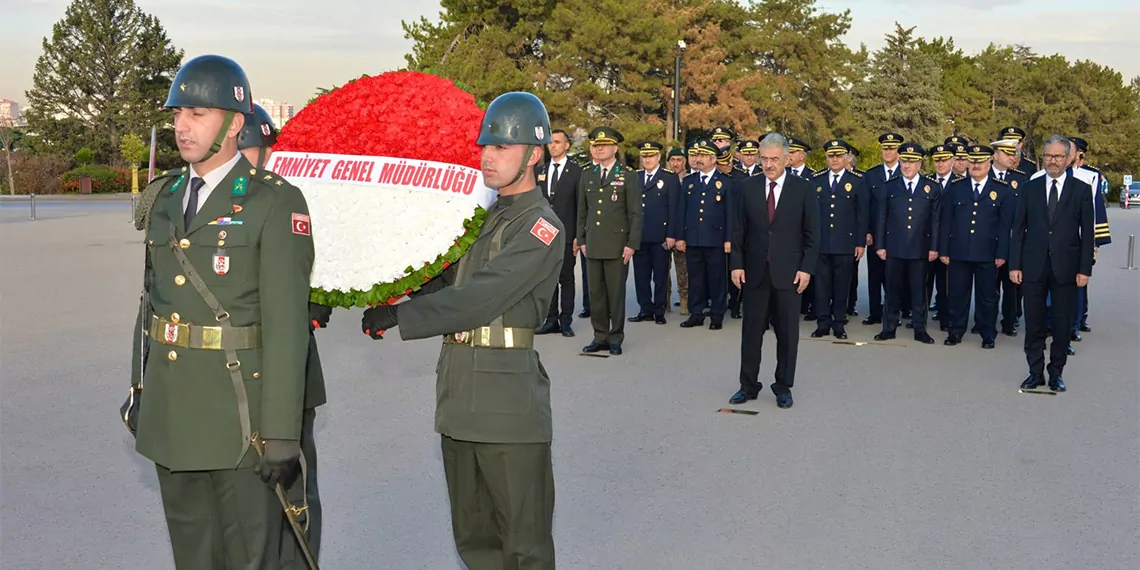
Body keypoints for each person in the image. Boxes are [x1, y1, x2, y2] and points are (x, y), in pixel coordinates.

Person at [123, 54, 312, 569]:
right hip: (173, 412)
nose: (182, 125)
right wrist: (141, 388)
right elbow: (151, 305)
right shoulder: (164, 197)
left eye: (198, 114)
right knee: (193, 556)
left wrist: (281, 433)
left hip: (239, 418)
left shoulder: (274, 202)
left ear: (233, 124)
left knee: (246, 557)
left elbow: (288, 326)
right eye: (179, 113)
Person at [359, 91, 563, 568]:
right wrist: (390, 289)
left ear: (533, 155)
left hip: (508, 407)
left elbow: (480, 296)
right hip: (460, 398)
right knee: (474, 542)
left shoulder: (540, 227)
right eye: (485, 147)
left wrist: (401, 317)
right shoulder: (484, 218)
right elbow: (449, 279)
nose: (488, 158)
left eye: (502, 148)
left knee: (523, 544)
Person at [237, 101, 329, 566]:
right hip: (231, 382)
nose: (266, 160)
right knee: (245, 512)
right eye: (259, 150)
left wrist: (319, 297)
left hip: (287, 383)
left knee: (294, 502)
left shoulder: (284, 199)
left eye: (267, 150)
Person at [728, 134, 818, 409]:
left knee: (787, 335)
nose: (768, 164)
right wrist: (737, 264)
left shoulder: (803, 189)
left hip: (789, 274)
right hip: (754, 273)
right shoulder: (746, 187)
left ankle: (783, 386)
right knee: (751, 334)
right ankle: (748, 385)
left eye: (774, 159)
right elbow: (738, 230)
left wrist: (806, 269)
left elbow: (813, 235)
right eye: (764, 159)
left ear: (787, 159)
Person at [1010, 135, 1094, 393]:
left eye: (1058, 156)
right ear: (1042, 158)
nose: (1053, 161)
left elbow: (1087, 234)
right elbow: (1019, 229)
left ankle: (1056, 373)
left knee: (1061, 324)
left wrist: (1084, 269)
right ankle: (1035, 372)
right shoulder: (1029, 188)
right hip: (1033, 266)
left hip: (1066, 268)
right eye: (1048, 156)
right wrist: (1015, 265)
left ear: (1068, 158)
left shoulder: (1080, 190)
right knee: (1034, 324)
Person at [576, 127, 644, 355]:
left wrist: (632, 243)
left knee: (615, 293)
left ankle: (615, 337)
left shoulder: (627, 175)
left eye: (604, 145)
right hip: (593, 244)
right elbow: (582, 210)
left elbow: (635, 212)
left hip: (617, 245)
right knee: (595, 293)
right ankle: (600, 336)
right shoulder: (588, 174)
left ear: (615, 148)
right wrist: (581, 238)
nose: (599, 149)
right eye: (595, 145)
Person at [939, 145, 1014, 349]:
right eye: (972, 161)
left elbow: (1005, 226)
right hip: (959, 251)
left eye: (980, 161)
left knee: (988, 297)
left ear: (989, 163)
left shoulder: (1002, 190)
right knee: (957, 295)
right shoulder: (955, 188)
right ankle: (956, 331)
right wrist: (943, 249)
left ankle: (988, 333)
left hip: (988, 253)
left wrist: (1002, 253)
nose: (976, 165)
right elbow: (945, 221)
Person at [874, 142, 941, 344]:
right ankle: (889, 328)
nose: (907, 165)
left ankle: (920, 329)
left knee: (919, 291)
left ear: (920, 164)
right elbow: (881, 217)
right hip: (894, 247)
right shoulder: (890, 186)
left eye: (912, 162)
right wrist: (880, 245)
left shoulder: (932, 187)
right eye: (904, 161)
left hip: (920, 248)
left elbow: (936, 221)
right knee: (892, 290)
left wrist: (934, 247)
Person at [810, 140, 867, 340]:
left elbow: (862, 215)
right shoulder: (816, 180)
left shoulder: (858, 180)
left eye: (838, 156)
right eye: (830, 156)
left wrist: (860, 243)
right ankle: (822, 323)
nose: (834, 159)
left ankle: (839, 324)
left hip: (845, 243)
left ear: (847, 158)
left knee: (842, 286)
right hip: (821, 243)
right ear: (826, 158)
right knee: (821, 286)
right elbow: (809, 215)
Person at [677, 139, 734, 330]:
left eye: (703, 156)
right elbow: (681, 211)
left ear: (713, 159)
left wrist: (728, 239)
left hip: (716, 239)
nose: (698, 160)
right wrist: (681, 237)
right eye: (697, 155)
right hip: (693, 238)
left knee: (717, 278)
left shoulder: (725, 182)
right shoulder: (690, 182)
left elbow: (730, 214)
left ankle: (717, 315)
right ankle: (696, 313)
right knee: (696, 278)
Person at [535, 129, 584, 337]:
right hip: (545, 234)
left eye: (557, 142)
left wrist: (578, 236)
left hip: (567, 234)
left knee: (566, 278)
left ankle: (566, 321)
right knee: (548, 278)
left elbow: (581, 206)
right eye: (550, 143)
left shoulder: (577, 172)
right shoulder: (540, 171)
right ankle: (551, 319)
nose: (552, 146)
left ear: (566, 146)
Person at [629, 141, 679, 325]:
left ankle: (659, 310)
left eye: (651, 156)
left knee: (660, 276)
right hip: (639, 235)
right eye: (644, 156)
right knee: (641, 276)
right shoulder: (634, 176)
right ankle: (645, 309)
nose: (647, 159)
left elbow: (674, 208)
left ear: (658, 157)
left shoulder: (669, 178)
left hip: (660, 235)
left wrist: (671, 234)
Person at [861, 132, 904, 326]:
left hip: (898, 234)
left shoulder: (905, 173)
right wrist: (867, 231)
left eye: (892, 148)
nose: (888, 152)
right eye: (885, 148)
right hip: (876, 233)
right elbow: (866, 206)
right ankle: (875, 313)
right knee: (875, 275)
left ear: (898, 151)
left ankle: (894, 311)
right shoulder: (871, 175)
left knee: (895, 276)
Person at [990, 138, 1029, 337]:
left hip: (1013, 241)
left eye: (1013, 153)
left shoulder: (1020, 180)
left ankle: (1010, 320)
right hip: (989, 241)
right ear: (995, 155)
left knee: (1012, 285)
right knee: (988, 286)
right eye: (1007, 153)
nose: (1012, 157)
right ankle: (986, 321)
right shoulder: (982, 176)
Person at [665, 146, 690, 315]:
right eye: (672, 160)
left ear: (684, 162)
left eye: (679, 160)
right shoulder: (664, 178)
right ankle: (664, 301)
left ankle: (684, 300)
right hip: (665, 230)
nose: (676, 163)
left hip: (683, 231)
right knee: (662, 270)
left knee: (683, 269)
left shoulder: (690, 179)